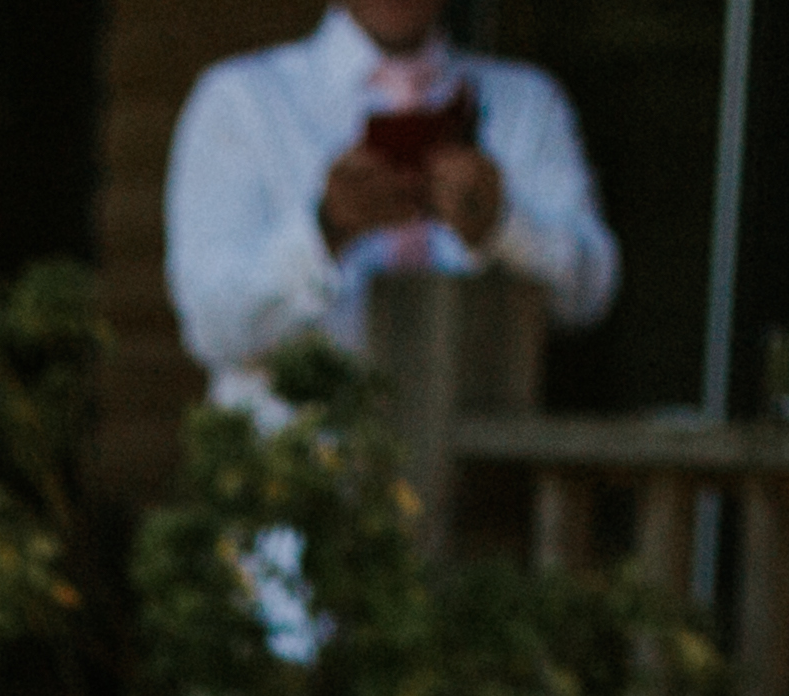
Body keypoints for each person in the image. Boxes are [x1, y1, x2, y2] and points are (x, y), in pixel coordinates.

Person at [164, 0, 618, 430]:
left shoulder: (526, 104)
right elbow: (211, 327)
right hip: (296, 483)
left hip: (472, 478)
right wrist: (326, 230)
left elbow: (590, 298)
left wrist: (504, 227)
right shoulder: (241, 100)